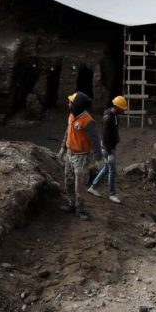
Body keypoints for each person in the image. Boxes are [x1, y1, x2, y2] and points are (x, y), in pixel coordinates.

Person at [58, 91, 98, 220]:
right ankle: (72, 204)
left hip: (81, 157)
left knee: (79, 185)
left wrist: (98, 158)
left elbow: (95, 140)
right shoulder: (71, 115)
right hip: (70, 154)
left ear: (77, 105)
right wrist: (63, 148)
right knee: (68, 180)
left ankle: (80, 210)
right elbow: (67, 132)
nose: (68, 103)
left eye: (71, 102)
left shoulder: (88, 121)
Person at [88, 95, 127, 204]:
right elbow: (105, 138)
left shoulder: (114, 116)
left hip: (110, 147)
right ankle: (112, 194)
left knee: (106, 168)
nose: (123, 110)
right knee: (112, 171)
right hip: (107, 148)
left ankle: (93, 187)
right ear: (117, 107)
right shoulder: (108, 119)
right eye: (122, 108)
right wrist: (110, 153)